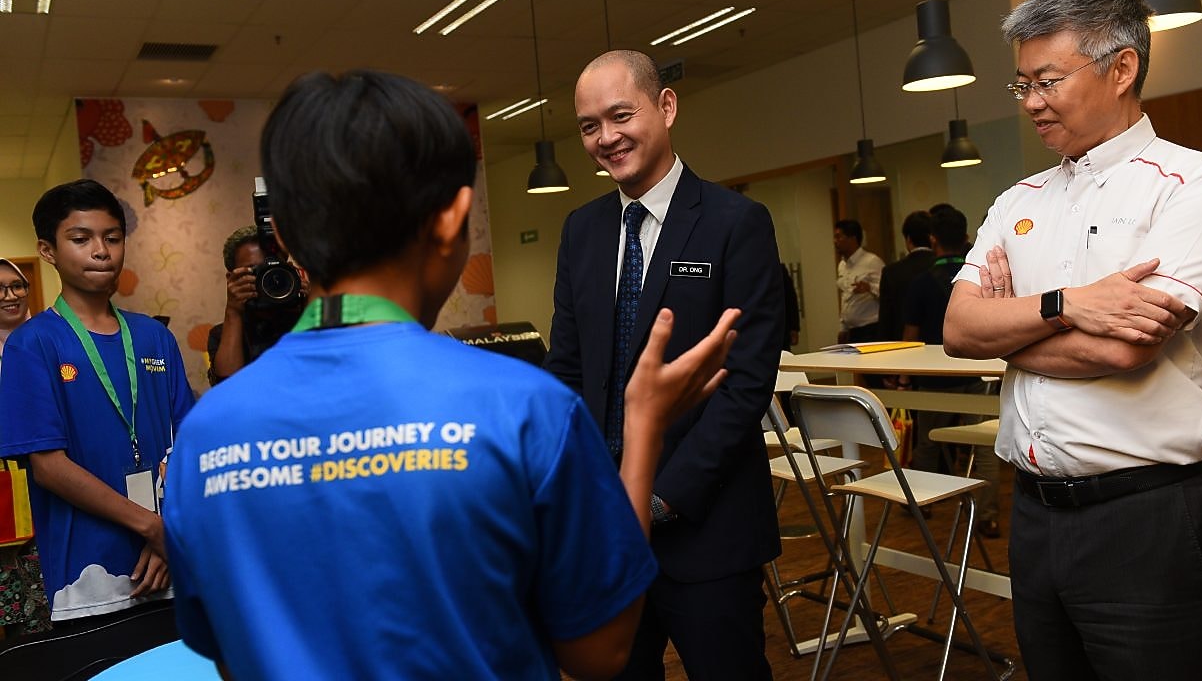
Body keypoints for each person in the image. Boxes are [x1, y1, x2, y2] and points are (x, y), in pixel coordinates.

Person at [163, 69, 742, 681]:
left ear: (282, 237)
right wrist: (644, 424)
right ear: (451, 219)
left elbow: (227, 652)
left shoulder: (206, 435)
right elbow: (599, 652)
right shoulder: (524, 409)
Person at [943, 0, 1202, 680]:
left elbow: (1125, 347)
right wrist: (1063, 305)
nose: (1032, 103)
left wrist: (1012, 330)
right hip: (1034, 515)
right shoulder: (1016, 199)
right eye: (1021, 85)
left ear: (1122, 68)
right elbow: (960, 329)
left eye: (1047, 80)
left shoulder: (1200, 185)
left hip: (1147, 519)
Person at [545, 49, 783, 680]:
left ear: (667, 106)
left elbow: (749, 381)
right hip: (605, 523)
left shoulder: (737, 223)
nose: (606, 138)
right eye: (589, 126)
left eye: (621, 115)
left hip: (707, 521)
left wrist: (659, 499)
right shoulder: (581, 231)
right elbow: (568, 369)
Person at [0, 180, 196, 625]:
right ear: (47, 251)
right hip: (88, 578)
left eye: (112, 237)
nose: (101, 251)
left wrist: (169, 531)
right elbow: (49, 467)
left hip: (174, 562)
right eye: (80, 238)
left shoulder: (154, 336)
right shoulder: (33, 345)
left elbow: (188, 442)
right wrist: (152, 527)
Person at [900, 208, 1002, 538]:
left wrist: (904, 377)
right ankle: (987, 515)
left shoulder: (921, 282)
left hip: (934, 378)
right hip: (978, 372)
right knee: (984, 448)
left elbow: (911, 335)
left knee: (928, 444)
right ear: (966, 236)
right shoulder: (979, 277)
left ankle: (922, 502)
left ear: (933, 240)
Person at [0, 258, 52, 637]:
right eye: (0, 290)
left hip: (47, 477)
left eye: (17, 286)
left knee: (48, 590)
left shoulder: (48, 339)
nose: (11, 296)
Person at [205, 225, 306, 385]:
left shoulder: (304, 318)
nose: (267, 277)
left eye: (274, 267)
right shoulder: (222, 334)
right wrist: (233, 311)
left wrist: (313, 302)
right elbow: (228, 389)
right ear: (232, 279)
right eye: (255, 270)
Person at [878, 210, 934, 342]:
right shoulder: (940, 268)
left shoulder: (891, 272)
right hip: (939, 345)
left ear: (908, 239)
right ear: (932, 237)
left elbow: (886, 320)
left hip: (902, 346)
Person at [834, 219, 883, 343]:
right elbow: (845, 296)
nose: (835, 242)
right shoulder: (842, 265)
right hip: (852, 331)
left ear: (852, 238)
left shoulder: (872, 261)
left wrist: (869, 288)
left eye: (839, 237)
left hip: (871, 330)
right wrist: (843, 327)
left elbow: (888, 293)